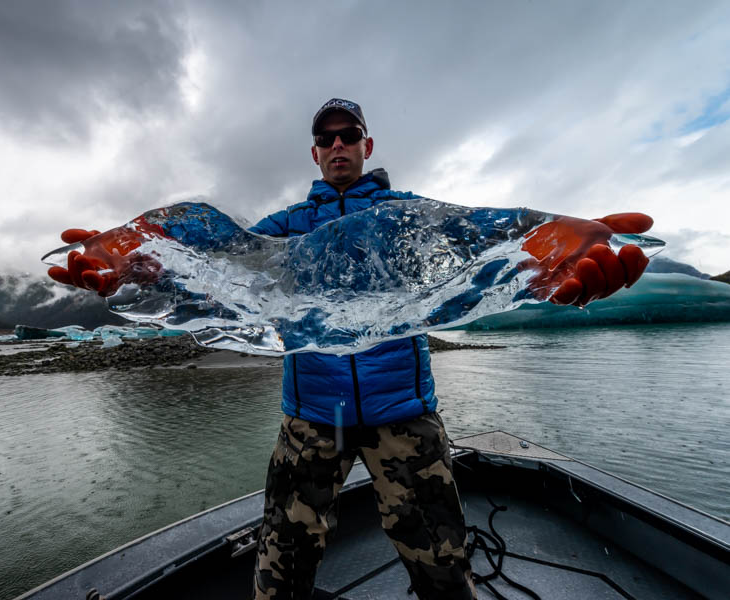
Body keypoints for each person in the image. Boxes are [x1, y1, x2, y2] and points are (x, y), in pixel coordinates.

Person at [47, 98, 651, 600]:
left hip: (404, 418)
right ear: (314, 152)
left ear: (367, 145)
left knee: (443, 569)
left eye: (349, 136)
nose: (338, 145)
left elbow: (480, 243)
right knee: (280, 569)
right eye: (326, 138)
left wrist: (546, 246)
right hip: (312, 419)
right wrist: (146, 270)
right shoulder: (282, 229)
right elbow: (227, 272)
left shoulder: (405, 217)